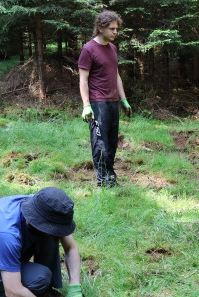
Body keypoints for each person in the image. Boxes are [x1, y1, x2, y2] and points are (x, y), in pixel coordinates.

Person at [78, 10, 132, 188]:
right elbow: (83, 79)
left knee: (111, 141)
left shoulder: (113, 48)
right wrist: (86, 105)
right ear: (100, 28)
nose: (116, 32)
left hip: (113, 101)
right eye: (112, 28)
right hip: (97, 102)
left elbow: (116, 76)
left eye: (117, 29)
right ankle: (103, 180)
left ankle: (111, 177)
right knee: (100, 142)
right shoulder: (88, 49)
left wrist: (123, 100)